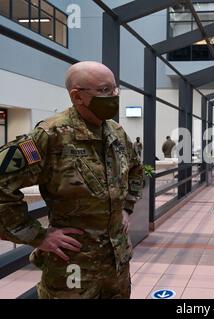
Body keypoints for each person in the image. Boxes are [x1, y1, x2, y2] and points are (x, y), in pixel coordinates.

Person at [0, 61, 143, 299]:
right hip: (72, 268)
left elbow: (136, 169)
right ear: (77, 97)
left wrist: (126, 208)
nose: (114, 96)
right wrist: (37, 235)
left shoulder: (116, 133)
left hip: (116, 264)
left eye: (115, 89)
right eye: (105, 90)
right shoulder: (50, 136)